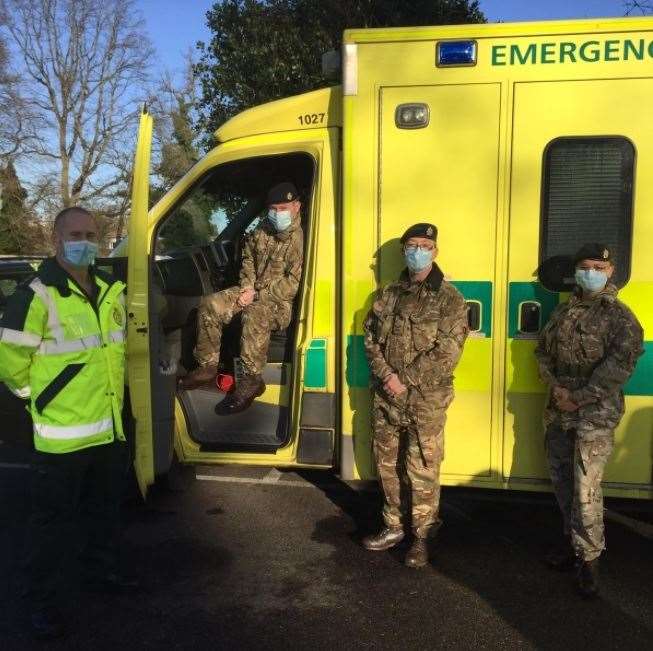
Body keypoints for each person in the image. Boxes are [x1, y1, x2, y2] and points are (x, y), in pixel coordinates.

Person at [0, 207, 136, 639]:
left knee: (104, 514)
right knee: (51, 527)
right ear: (56, 241)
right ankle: (39, 602)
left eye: (91, 234)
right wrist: (38, 399)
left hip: (108, 430)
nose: (85, 242)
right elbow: (9, 363)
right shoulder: (36, 295)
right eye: (75, 234)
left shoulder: (110, 290)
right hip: (61, 438)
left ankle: (102, 575)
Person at [535, 243, 644, 599]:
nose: (591, 272)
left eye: (598, 267)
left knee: (586, 489)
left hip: (594, 416)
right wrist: (557, 389)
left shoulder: (620, 317)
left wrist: (577, 398)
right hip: (559, 411)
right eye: (586, 266)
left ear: (610, 272)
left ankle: (590, 560)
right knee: (564, 483)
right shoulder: (564, 312)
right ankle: (573, 546)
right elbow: (543, 352)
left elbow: (619, 367)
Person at [362, 223, 469, 567]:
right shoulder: (388, 293)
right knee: (387, 467)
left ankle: (422, 536)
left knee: (422, 469)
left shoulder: (450, 298)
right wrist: (386, 376)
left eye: (424, 245)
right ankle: (392, 526)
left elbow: (449, 350)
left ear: (435, 251)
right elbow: (370, 337)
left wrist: (403, 379)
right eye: (411, 245)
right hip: (387, 399)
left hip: (426, 400)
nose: (417, 251)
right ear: (404, 251)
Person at [180, 182, 304, 414]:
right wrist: (247, 288)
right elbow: (248, 261)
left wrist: (257, 295)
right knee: (210, 304)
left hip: (279, 303)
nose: (278, 214)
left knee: (254, 314)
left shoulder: (300, 240)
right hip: (252, 290)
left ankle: (251, 380)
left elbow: (293, 284)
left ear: (297, 206)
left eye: (284, 208)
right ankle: (207, 366)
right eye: (274, 209)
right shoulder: (262, 231)